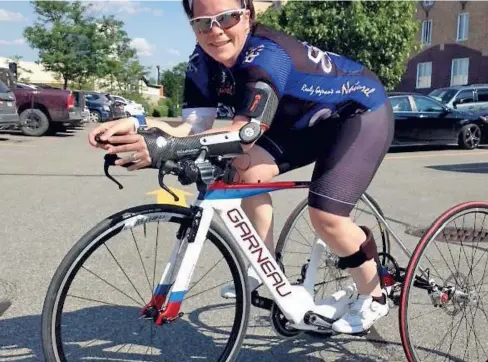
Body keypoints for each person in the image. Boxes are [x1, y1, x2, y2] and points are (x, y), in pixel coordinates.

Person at [88, 0, 395, 334]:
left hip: (359, 112)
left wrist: (167, 148)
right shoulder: (202, 59)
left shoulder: (267, 55)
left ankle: (375, 295)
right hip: (304, 119)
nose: (215, 31)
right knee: (244, 171)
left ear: (247, 16)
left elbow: (245, 132)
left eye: (227, 18)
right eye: (203, 23)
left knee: (327, 217)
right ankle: (266, 267)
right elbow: (192, 127)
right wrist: (139, 127)